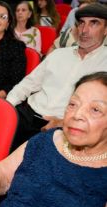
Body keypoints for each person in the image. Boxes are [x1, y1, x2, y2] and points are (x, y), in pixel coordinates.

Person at [0, 71, 107, 207]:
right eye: (73, 104)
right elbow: (2, 172)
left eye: (95, 110)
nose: (77, 115)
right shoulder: (45, 141)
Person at [6, 3, 107, 150]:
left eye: (94, 23)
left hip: (64, 126)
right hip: (27, 114)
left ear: (105, 30)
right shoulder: (59, 54)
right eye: (81, 23)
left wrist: (64, 122)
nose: (84, 30)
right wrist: (7, 107)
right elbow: (27, 84)